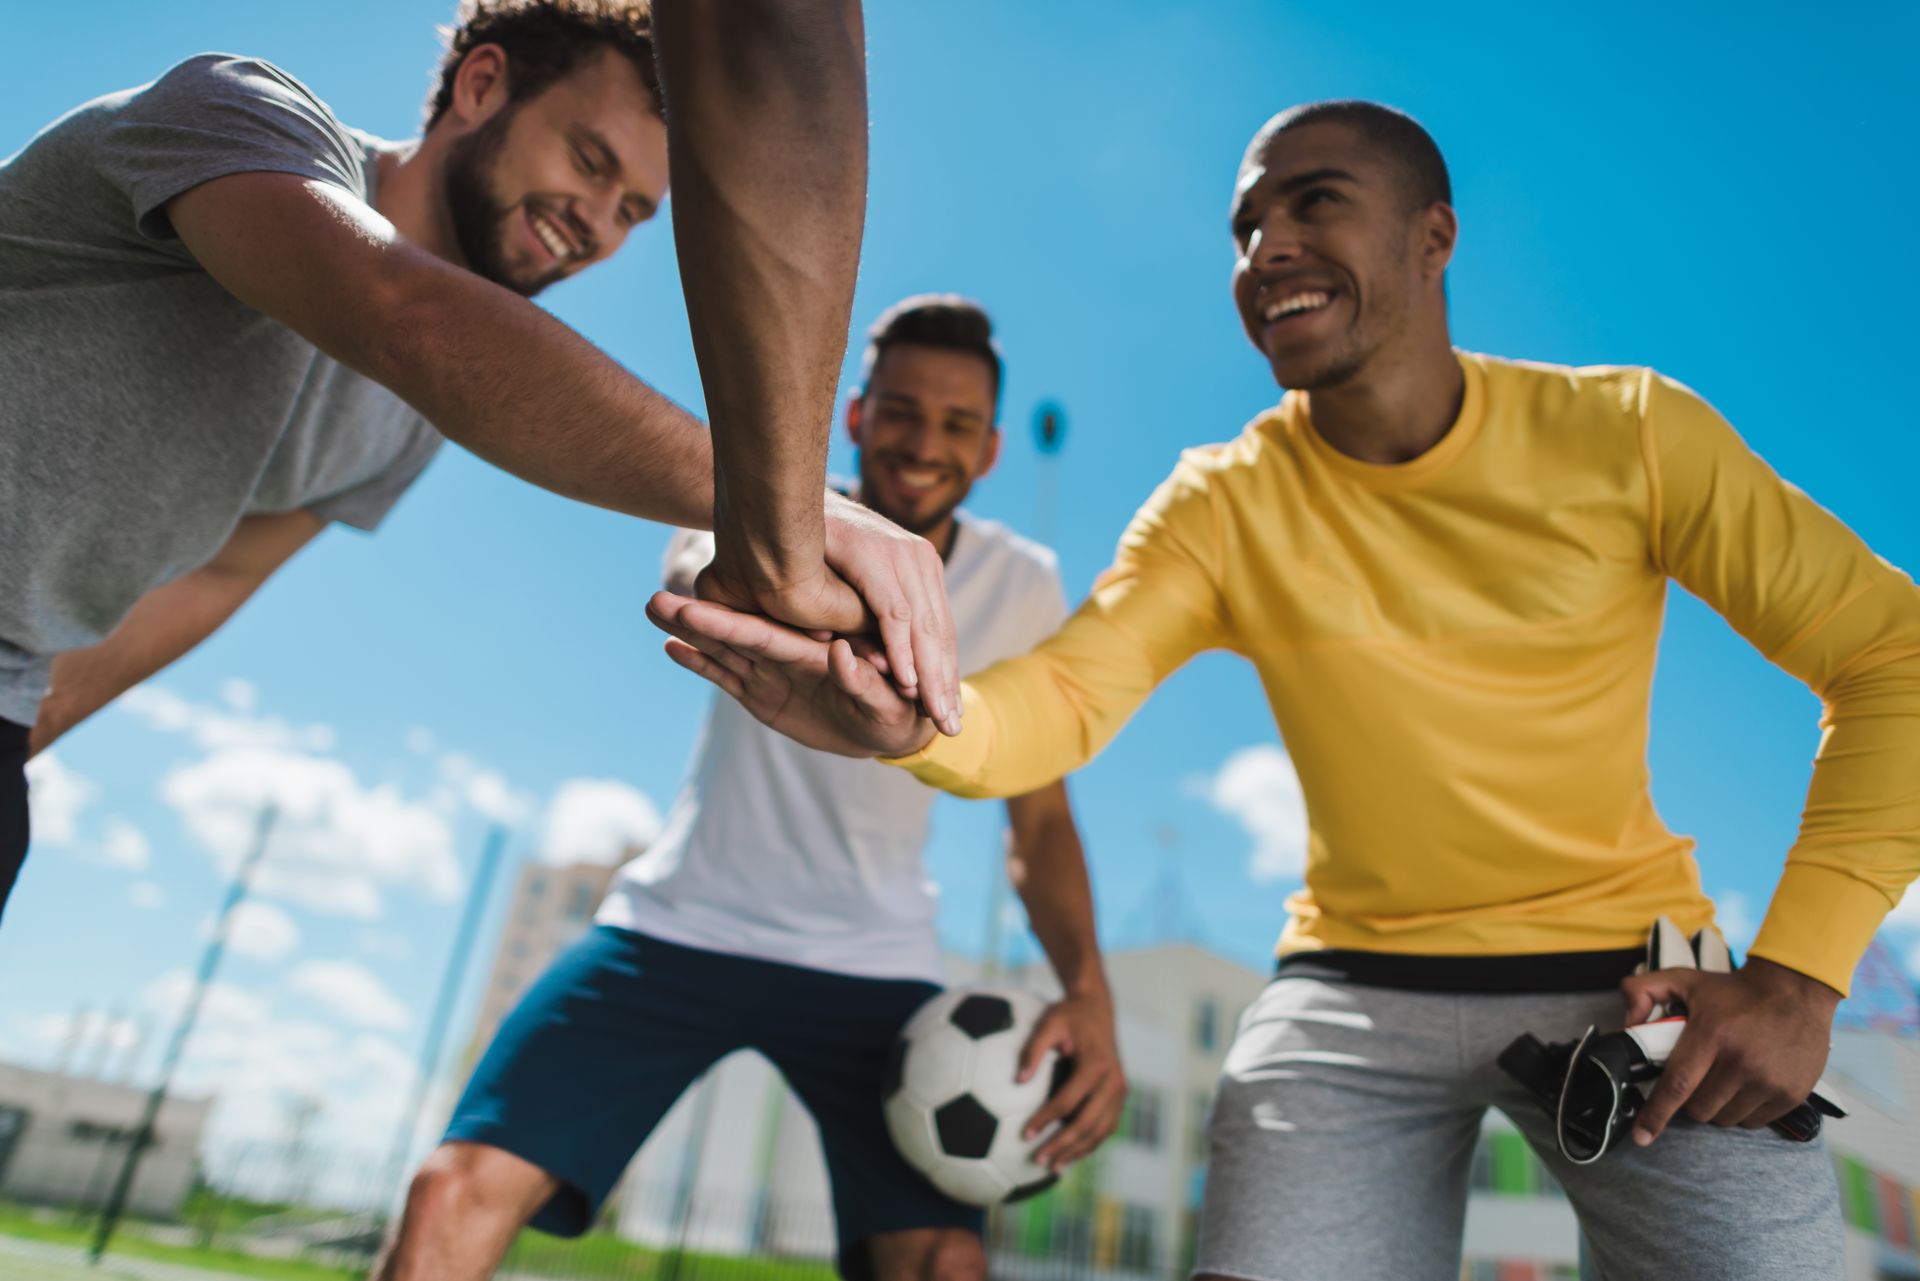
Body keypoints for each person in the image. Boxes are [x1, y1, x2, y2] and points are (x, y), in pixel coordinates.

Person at [648, 100, 1920, 1279]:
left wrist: (1801, 979)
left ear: (1436, 238)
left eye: (1314, 204)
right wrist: (914, 715)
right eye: (1248, 225)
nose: (1268, 247)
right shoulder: (1222, 502)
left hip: (1633, 976)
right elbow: (1060, 702)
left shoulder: (1633, 432)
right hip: (1350, 990)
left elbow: (1892, 656)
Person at [0, 0, 956, 920]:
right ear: (483, 85)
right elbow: (399, 314)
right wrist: (795, 509)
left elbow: (224, 571)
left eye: (631, 211)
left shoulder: (413, 422)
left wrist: (21, 730)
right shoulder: (237, 113)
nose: (597, 223)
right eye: (590, 161)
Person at [372, 297, 1126, 1281]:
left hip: (873, 959)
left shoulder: (1021, 583)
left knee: (941, 1260)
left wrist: (1089, 993)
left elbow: (1039, 816)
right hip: (678, 926)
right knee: (448, 1196)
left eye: (954, 426)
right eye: (899, 410)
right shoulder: (766, 502)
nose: (922, 443)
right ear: (855, 416)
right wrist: (820, 563)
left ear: (988, 453)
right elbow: (710, 573)